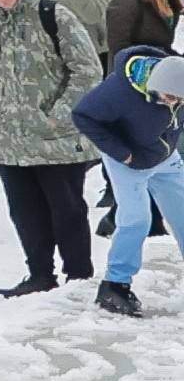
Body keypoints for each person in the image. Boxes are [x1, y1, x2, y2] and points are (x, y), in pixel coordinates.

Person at [0, 0, 106, 296]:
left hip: (57, 139)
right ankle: (39, 272)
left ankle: (79, 274)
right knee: (25, 212)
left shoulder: (51, 14)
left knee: (66, 208)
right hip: (9, 139)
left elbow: (86, 68)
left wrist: (59, 114)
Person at [76, 49, 178, 318]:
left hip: (165, 158)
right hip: (128, 163)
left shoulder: (177, 84)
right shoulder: (118, 91)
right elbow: (82, 116)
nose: (173, 103)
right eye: (169, 98)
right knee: (136, 220)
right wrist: (123, 153)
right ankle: (115, 285)